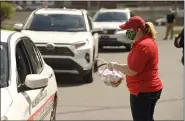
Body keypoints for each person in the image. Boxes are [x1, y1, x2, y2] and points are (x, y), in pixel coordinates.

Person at [107, 16, 163, 121]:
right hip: (149, 89)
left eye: (129, 30)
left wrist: (116, 66)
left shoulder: (143, 46)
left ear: (138, 30)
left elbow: (132, 71)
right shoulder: (145, 42)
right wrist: (116, 65)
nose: (127, 32)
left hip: (143, 92)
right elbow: (134, 67)